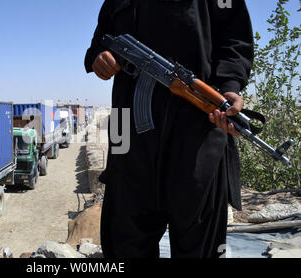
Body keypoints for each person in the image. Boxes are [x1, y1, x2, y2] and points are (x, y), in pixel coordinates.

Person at [84, 0, 254, 258]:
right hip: (126, 129)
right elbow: (99, 42)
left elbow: (236, 41)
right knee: (124, 242)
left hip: (198, 129)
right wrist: (101, 57)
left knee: (199, 246)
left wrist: (229, 86)